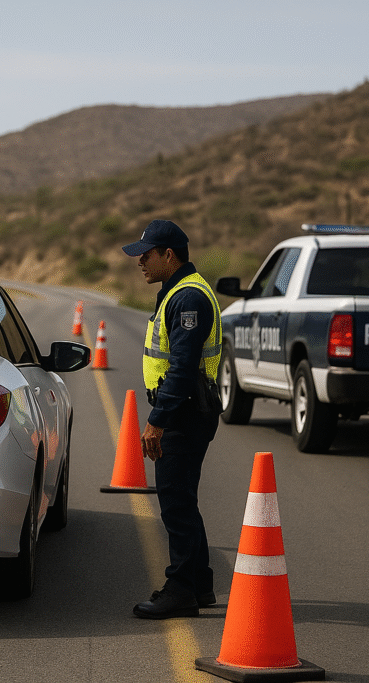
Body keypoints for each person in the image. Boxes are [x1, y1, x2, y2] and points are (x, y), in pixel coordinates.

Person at [121, 219, 222, 619]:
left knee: (176, 506)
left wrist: (156, 420)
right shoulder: (177, 293)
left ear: (169, 255)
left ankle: (180, 589)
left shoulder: (188, 299)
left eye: (146, 255)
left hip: (183, 412)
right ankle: (200, 584)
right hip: (186, 409)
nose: (140, 262)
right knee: (184, 502)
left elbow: (181, 368)